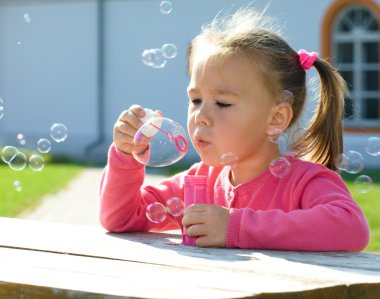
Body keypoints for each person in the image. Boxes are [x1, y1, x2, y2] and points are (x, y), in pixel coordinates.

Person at [99, 7, 370, 251]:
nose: (201, 116)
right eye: (195, 100)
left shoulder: (304, 182)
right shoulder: (199, 181)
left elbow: (351, 227)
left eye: (222, 103)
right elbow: (120, 218)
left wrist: (235, 227)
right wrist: (125, 157)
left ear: (275, 118)